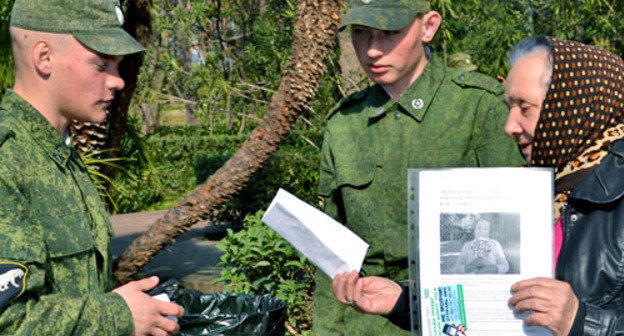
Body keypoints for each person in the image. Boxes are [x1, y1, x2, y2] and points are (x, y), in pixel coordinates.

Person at [333, 36, 624, 336]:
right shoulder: (542, 189)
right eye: (509, 107)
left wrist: (580, 320)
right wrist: (405, 301)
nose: (509, 126)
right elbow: (492, 303)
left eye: (525, 108)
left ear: (573, 107)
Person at [314, 0, 524, 334]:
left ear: (428, 26)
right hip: (363, 323)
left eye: (390, 33)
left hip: (455, 320)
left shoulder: (479, 108)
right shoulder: (344, 123)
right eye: (361, 34)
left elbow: (518, 238)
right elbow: (331, 256)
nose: (371, 51)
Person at [0, 0, 185, 335]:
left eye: (117, 66)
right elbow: (10, 320)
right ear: (44, 57)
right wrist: (120, 315)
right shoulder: (7, 159)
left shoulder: (59, 155)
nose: (117, 81)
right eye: (101, 65)